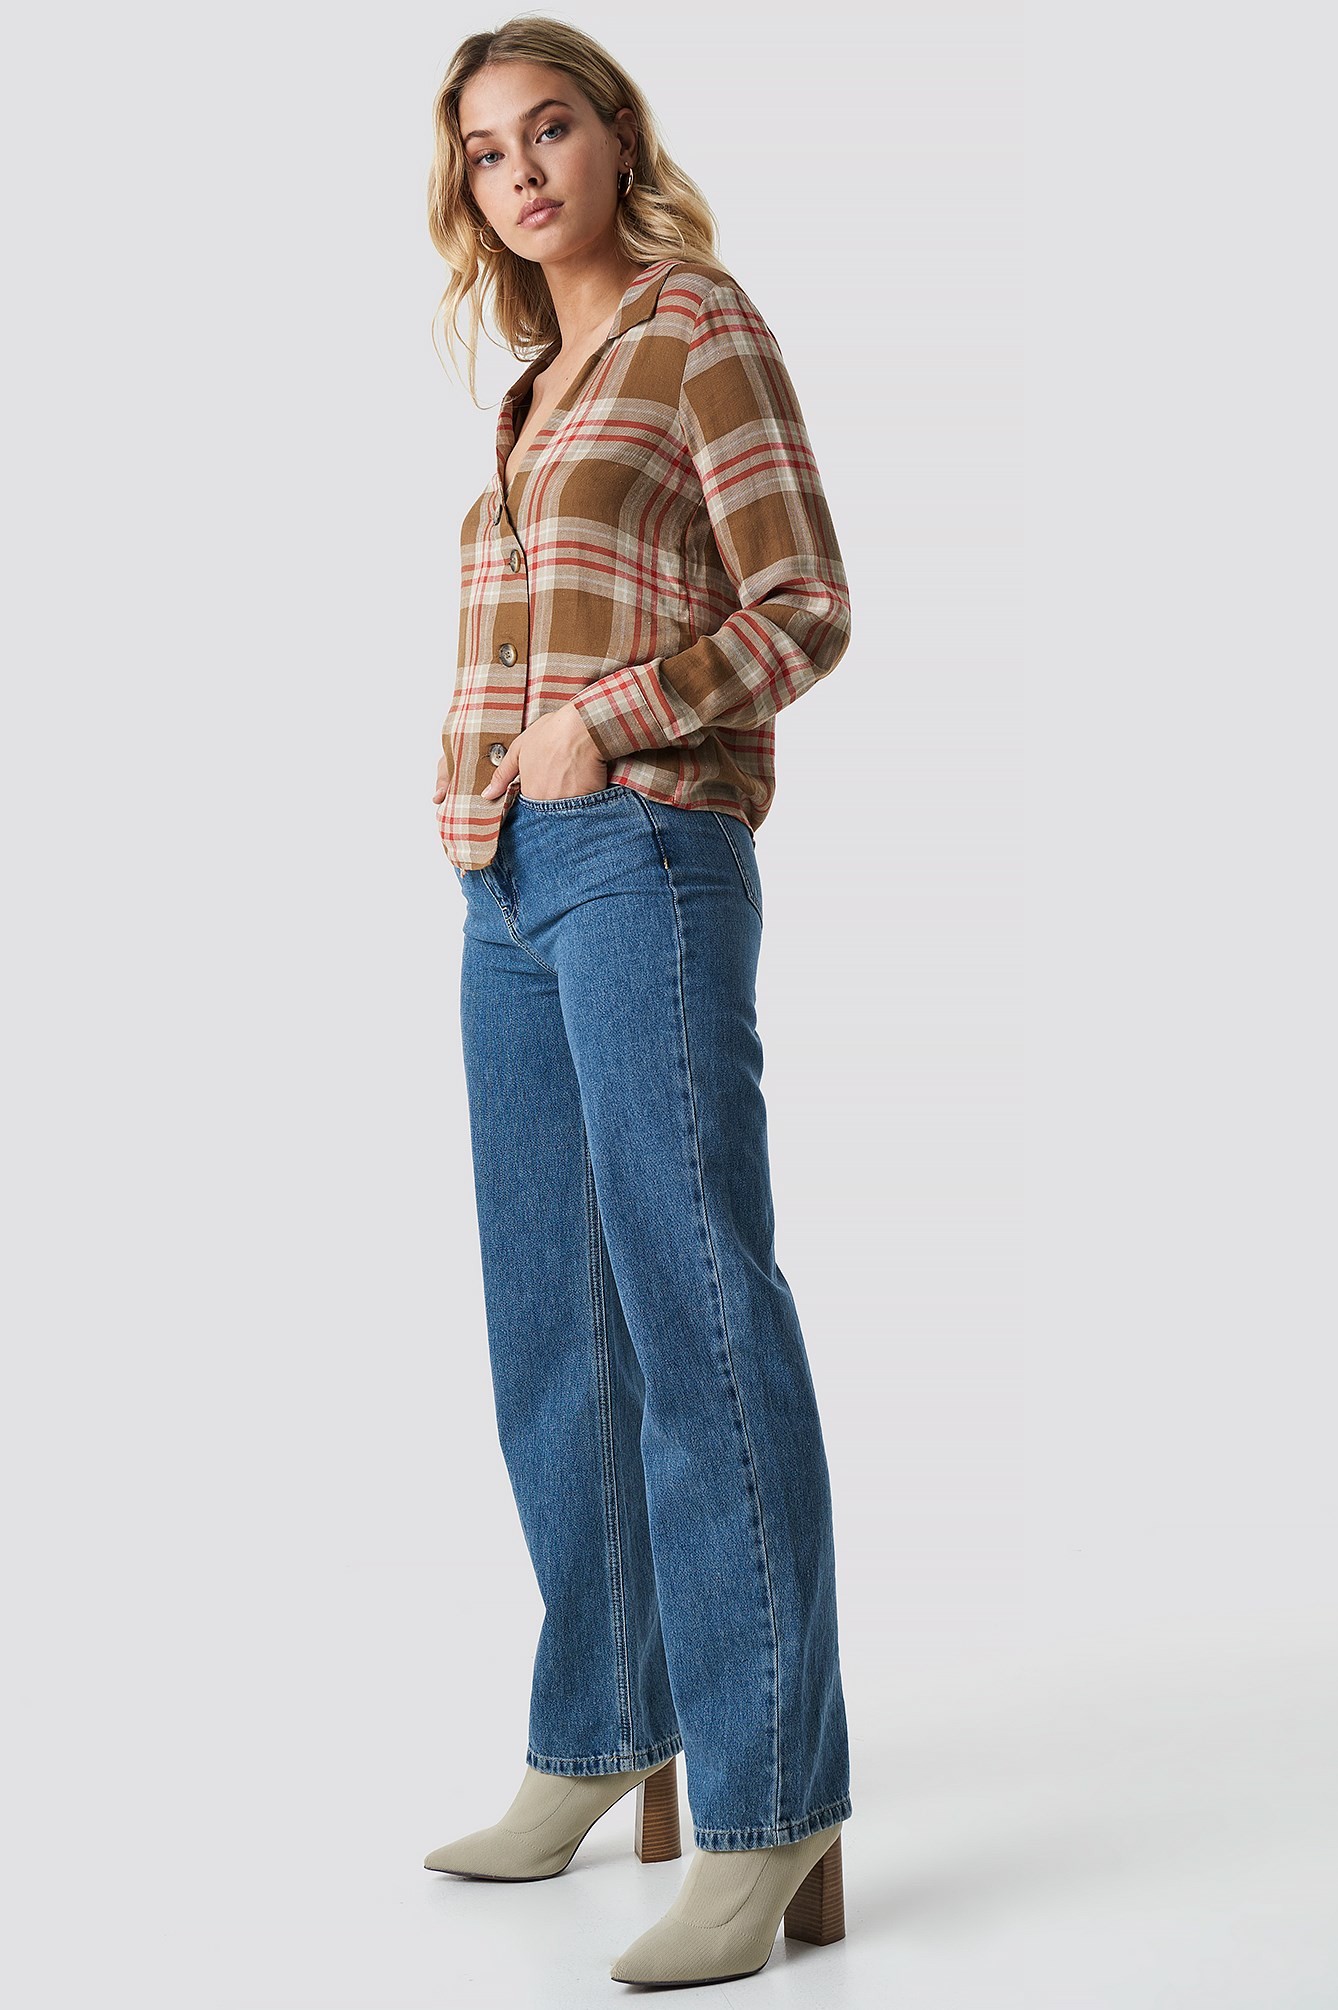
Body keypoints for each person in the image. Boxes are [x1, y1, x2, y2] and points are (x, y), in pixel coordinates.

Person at [423, 17, 854, 1988]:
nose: (521, 171)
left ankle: (769, 1807)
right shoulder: (533, 389)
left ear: (613, 139)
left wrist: (603, 721)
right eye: (485, 150)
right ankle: (602, 1727)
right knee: (551, 1329)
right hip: (502, 881)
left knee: (696, 1318)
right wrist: (478, 789)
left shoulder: (697, 328)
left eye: (550, 129)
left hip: (647, 862)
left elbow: (804, 604)